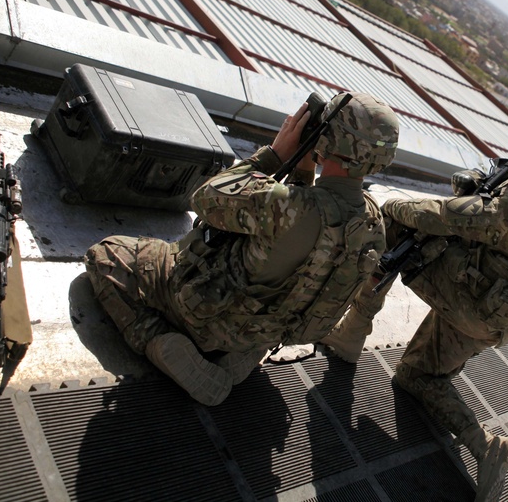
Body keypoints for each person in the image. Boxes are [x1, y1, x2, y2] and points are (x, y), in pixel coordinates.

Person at [320, 105, 508, 502]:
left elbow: (443, 217)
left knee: (396, 226)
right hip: (495, 315)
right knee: (416, 376)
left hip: (473, 306)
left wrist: (391, 204)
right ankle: (487, 447)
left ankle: (349, 334)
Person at [83, 92, 399, 406]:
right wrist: (303, 167)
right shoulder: (372, 226)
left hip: (206, 312)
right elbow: (311, 229)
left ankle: (158, 340)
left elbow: (206, 198)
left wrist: (275, 154)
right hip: (262, 330)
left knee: (106, 254)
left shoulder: (287, 207)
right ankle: (239, 355)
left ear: (328, 137)